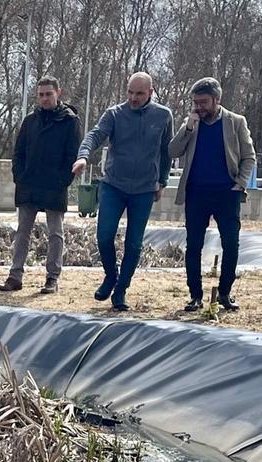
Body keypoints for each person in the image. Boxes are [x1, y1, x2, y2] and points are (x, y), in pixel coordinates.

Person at [73, 72, 173, 311]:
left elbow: (166, 150)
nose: (133, 98)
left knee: (134, 243)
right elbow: (95, 135)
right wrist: (83, 157)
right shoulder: (115, 114)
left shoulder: (163, 116)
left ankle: (121, 289)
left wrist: (162, 181)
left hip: (144, 189)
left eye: (139, 93)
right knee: (104, 235)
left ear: (151, 91)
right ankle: (110, 275)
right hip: (113, 185)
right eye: (130, 92)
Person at [169, 77, 256, 312]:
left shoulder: (236, 122)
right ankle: (194, 295)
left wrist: (240, 183)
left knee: (231, 243)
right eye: (196, 102)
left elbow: (249, 156)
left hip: (227, 193)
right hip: (196, 192)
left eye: (204, 102)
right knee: (193, 244)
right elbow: (173, 151)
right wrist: (188, 128)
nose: (199, 107)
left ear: (217, 100)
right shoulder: (191, 124)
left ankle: (225, 293)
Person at [0, 76, 81, 294]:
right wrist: (19, 175)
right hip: (29, 183)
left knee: (55, 233)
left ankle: (52, 278)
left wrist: (63, 180)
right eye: (41, 94)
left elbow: (72, 154)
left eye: (48, 94)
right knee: (22, 232)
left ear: (58, 93)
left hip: (54, 185)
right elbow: (19, 151)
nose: (44, 98)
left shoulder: (70, 121)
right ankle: (15, 276)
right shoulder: (30, 121)